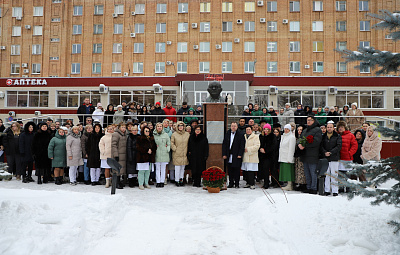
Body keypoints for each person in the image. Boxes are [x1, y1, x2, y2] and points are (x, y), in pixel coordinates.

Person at [297, 116, 322, 194]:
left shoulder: (317, 130)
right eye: (307, 120)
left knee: (313, 172)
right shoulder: (305, 130)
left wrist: (305, 145)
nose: (308, 121)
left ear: (314, 121)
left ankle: (313, 188)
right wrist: (299, 144)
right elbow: (300, 139)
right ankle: (308, 187)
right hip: (305, 154)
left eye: (310, 120)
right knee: (307, 173)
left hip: (313, 154)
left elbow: (316, 141)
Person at [320, 122, 342, 196]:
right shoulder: (324, 136)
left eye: (330, 127)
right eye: (328, 127)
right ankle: (327, 190)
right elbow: (321, 146)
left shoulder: (337, 136)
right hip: (326, 158)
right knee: (327, 175)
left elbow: (339, 146)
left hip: (334, 158)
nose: (329, 128)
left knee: (334, 175)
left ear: (333, 128)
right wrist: (325, 152)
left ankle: (335, 191)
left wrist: (331, 152)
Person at [223, 122, 245, 188]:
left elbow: (242, 145)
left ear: (237, 127)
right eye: (232, 126)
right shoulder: (227, 133)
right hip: (229, 154)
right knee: (230, 170)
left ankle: (237, 183)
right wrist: (224, 154)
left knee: (237, 170)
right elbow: (224, 144)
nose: (233, 127)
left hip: (237, 155)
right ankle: (231, 183)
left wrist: (240, 154)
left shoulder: (240, 134)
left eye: (234, 126)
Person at [337, 121, 358, 185]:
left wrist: (349, 153)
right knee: (339, 174)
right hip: (338, 158)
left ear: (345, 127)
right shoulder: (336, 135)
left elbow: (354, 145)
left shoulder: (350, 135)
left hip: (347, 159)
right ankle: (341, 188)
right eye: (339, 127)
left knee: (347, 175)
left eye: (342, 127)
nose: (341, 128)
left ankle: (348, 188)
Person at [171, 121, 190, 186]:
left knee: (182, 167)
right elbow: (172, 143)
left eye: (182, 125)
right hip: (177, 153)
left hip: (184, 153)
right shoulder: (174, 134)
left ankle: (181, 179)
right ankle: (177, 180)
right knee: (177, 168)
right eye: (179, 126)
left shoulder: (187, 134)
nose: (181, 127)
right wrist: (174, 149)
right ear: (177, 127)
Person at [278, 124, 296, 191]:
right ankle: (287, 184)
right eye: (285, 129)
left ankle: (290, 185)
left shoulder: (291, 137)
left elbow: (291, 149)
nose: (286, 130)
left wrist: (290, 158)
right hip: (283, 156)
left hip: (287, 157)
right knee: (285, 171)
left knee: (289, 172)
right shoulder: (283, 136)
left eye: (287, 129)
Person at [259, 123, 277, 189]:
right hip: (264, 156)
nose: (266, 130)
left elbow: (273, 146)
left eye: (267, 129)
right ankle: (266, 183)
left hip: (271, 155)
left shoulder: (272, 136)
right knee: (265, 170)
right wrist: (260, 149)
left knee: (273, 170)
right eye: (265, 129)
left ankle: (274, 182)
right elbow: (259, 144)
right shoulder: (261, 136)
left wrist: (265, 150)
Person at [153, 123, 171, 188]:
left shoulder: (165, 135)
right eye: (158, 126)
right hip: (157, 153)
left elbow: (169, 143)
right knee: (157, 168)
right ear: (156, 127)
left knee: (163, 168)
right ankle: (158, 181)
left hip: (164, 153)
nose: (159, 127)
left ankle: (162, 181)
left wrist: (167, 149)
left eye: (160, 126)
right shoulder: (154, 135)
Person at [112, 122, 128, 189]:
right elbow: (113, 145)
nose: (123, 129)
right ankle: (116, 183)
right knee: (117, 170)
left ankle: (120, 182)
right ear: (119, 127)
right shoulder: (116, 134)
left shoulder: (126, 134)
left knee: (122, 169)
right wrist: (116, 155)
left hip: (124, 154)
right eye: (122, 127)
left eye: (124, 127)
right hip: (118, 154)